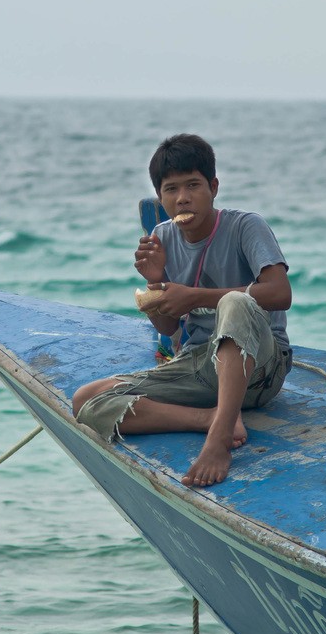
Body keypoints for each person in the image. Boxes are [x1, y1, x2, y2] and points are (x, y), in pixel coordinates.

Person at [72, 133, 292, 487]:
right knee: (86, 401)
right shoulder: (163, 235)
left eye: (193, 185)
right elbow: (168, 323)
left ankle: (218, 439)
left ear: (214, 187)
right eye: (171, 189)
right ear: (161, 196)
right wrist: (157, 283)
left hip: (260, 367)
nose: (182, 198)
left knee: (234, 302)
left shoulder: (245, 225)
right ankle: (208, 417)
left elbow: (279, 293)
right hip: (202, 366)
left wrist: (196, 296)